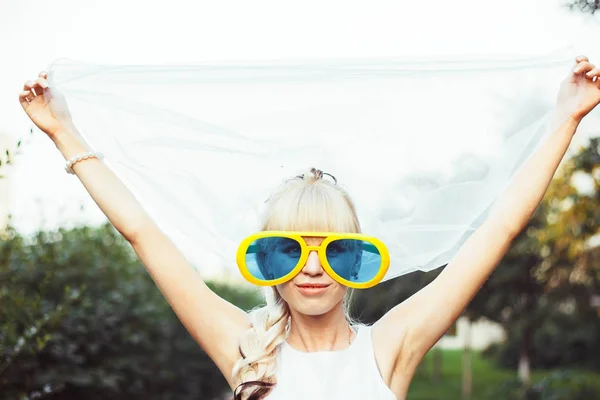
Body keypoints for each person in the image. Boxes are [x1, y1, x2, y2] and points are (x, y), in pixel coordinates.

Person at [19, 55, 600, 400]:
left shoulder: (391, 346)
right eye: (290, 251)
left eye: (335, 250)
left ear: (357, 260)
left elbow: (495, 231)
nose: (314, 267)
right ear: (268, 261)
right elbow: (144, 233)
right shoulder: (248, 349)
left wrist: (565, 119)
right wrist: (63, 132)